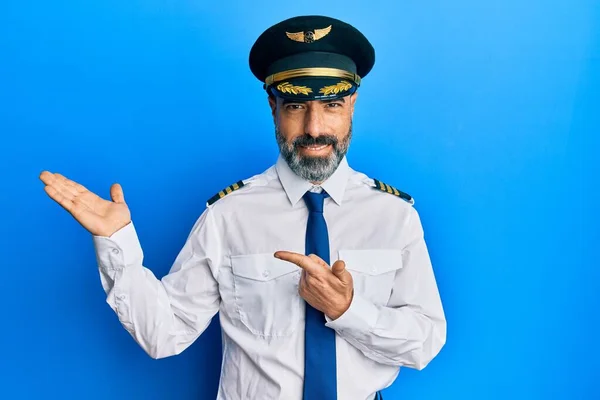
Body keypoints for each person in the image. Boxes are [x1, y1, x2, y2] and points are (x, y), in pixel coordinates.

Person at [39, 15, 446, 400]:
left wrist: (348, 309)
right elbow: (164, 334)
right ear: (273, 107)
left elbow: (425, 342)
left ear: (352, 104)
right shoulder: (227, 215)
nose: (314, 128)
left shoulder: (395, 215)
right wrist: (117, 244)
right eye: (296, 106)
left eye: (332, 106)